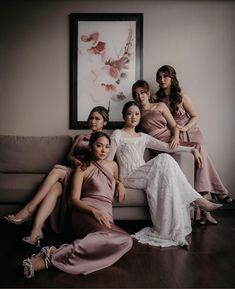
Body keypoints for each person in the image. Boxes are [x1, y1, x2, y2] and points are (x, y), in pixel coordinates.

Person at [107, 101, 222, 248]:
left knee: (168, 174)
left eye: (137, 114)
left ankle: (176, 233)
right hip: (129, 177)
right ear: (124, 116)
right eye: (130, 114)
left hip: (145, 173)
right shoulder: (117, 134)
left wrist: (191, 150)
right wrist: (117, 182)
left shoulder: (143, 136)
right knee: (163, 159)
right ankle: (196, 199)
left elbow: (167, 147)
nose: (134, 117)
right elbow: (109, 162)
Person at [22, 131, 132, 278]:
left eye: (107, 147)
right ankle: (48, 260)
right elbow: (73, 200)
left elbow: (116, 180)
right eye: (99, 146)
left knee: (127, 241)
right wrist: (93, 211)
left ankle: (56, 252)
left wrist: (120, 183)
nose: (103, 150)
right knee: (105, 239)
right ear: (91, 147)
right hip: (85, 212)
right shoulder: (82, 169)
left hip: (106, 215)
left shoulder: (113, 165)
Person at [4, 106, 110, 244]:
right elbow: (69, 156)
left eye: (97, 119)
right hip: (74, 171)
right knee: (55, 188)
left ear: (105, 122)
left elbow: (107, 164)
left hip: (86, 176)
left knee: (56, 170)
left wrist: (117, 181)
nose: (93, 121)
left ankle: (28, 210)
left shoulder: (106, 141)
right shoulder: (80, 137)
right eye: (91, 118)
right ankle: (36, 230)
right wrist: (78, 163)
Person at [154, 65, 233, 220]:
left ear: (172, 78)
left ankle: (204, 209)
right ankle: (212, 200)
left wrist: (185, 127)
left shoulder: (182, 96)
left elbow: (195, 115)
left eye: (165, 76)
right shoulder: (157, 99)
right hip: (174, 137)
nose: (162, 80)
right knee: (192, 171)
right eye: (160, 77)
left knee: (200, 166)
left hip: (191, 134)